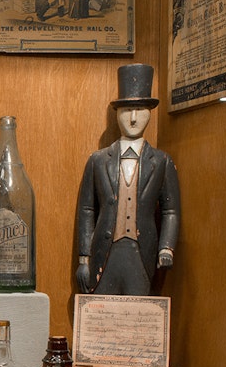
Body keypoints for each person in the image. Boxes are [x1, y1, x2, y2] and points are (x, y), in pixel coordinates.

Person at [76, 63, 181, 296]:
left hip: (142, 252)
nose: (133, 118)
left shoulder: (162, 162)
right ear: (117, 113)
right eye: (127, 110)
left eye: (141, 110)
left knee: (138, 309)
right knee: (102, 309)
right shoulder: (98, 160)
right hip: (105, 252)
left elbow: (170, 211)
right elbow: (86, 210)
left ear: (150, 113)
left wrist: (166, 248)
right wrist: (84, 258)